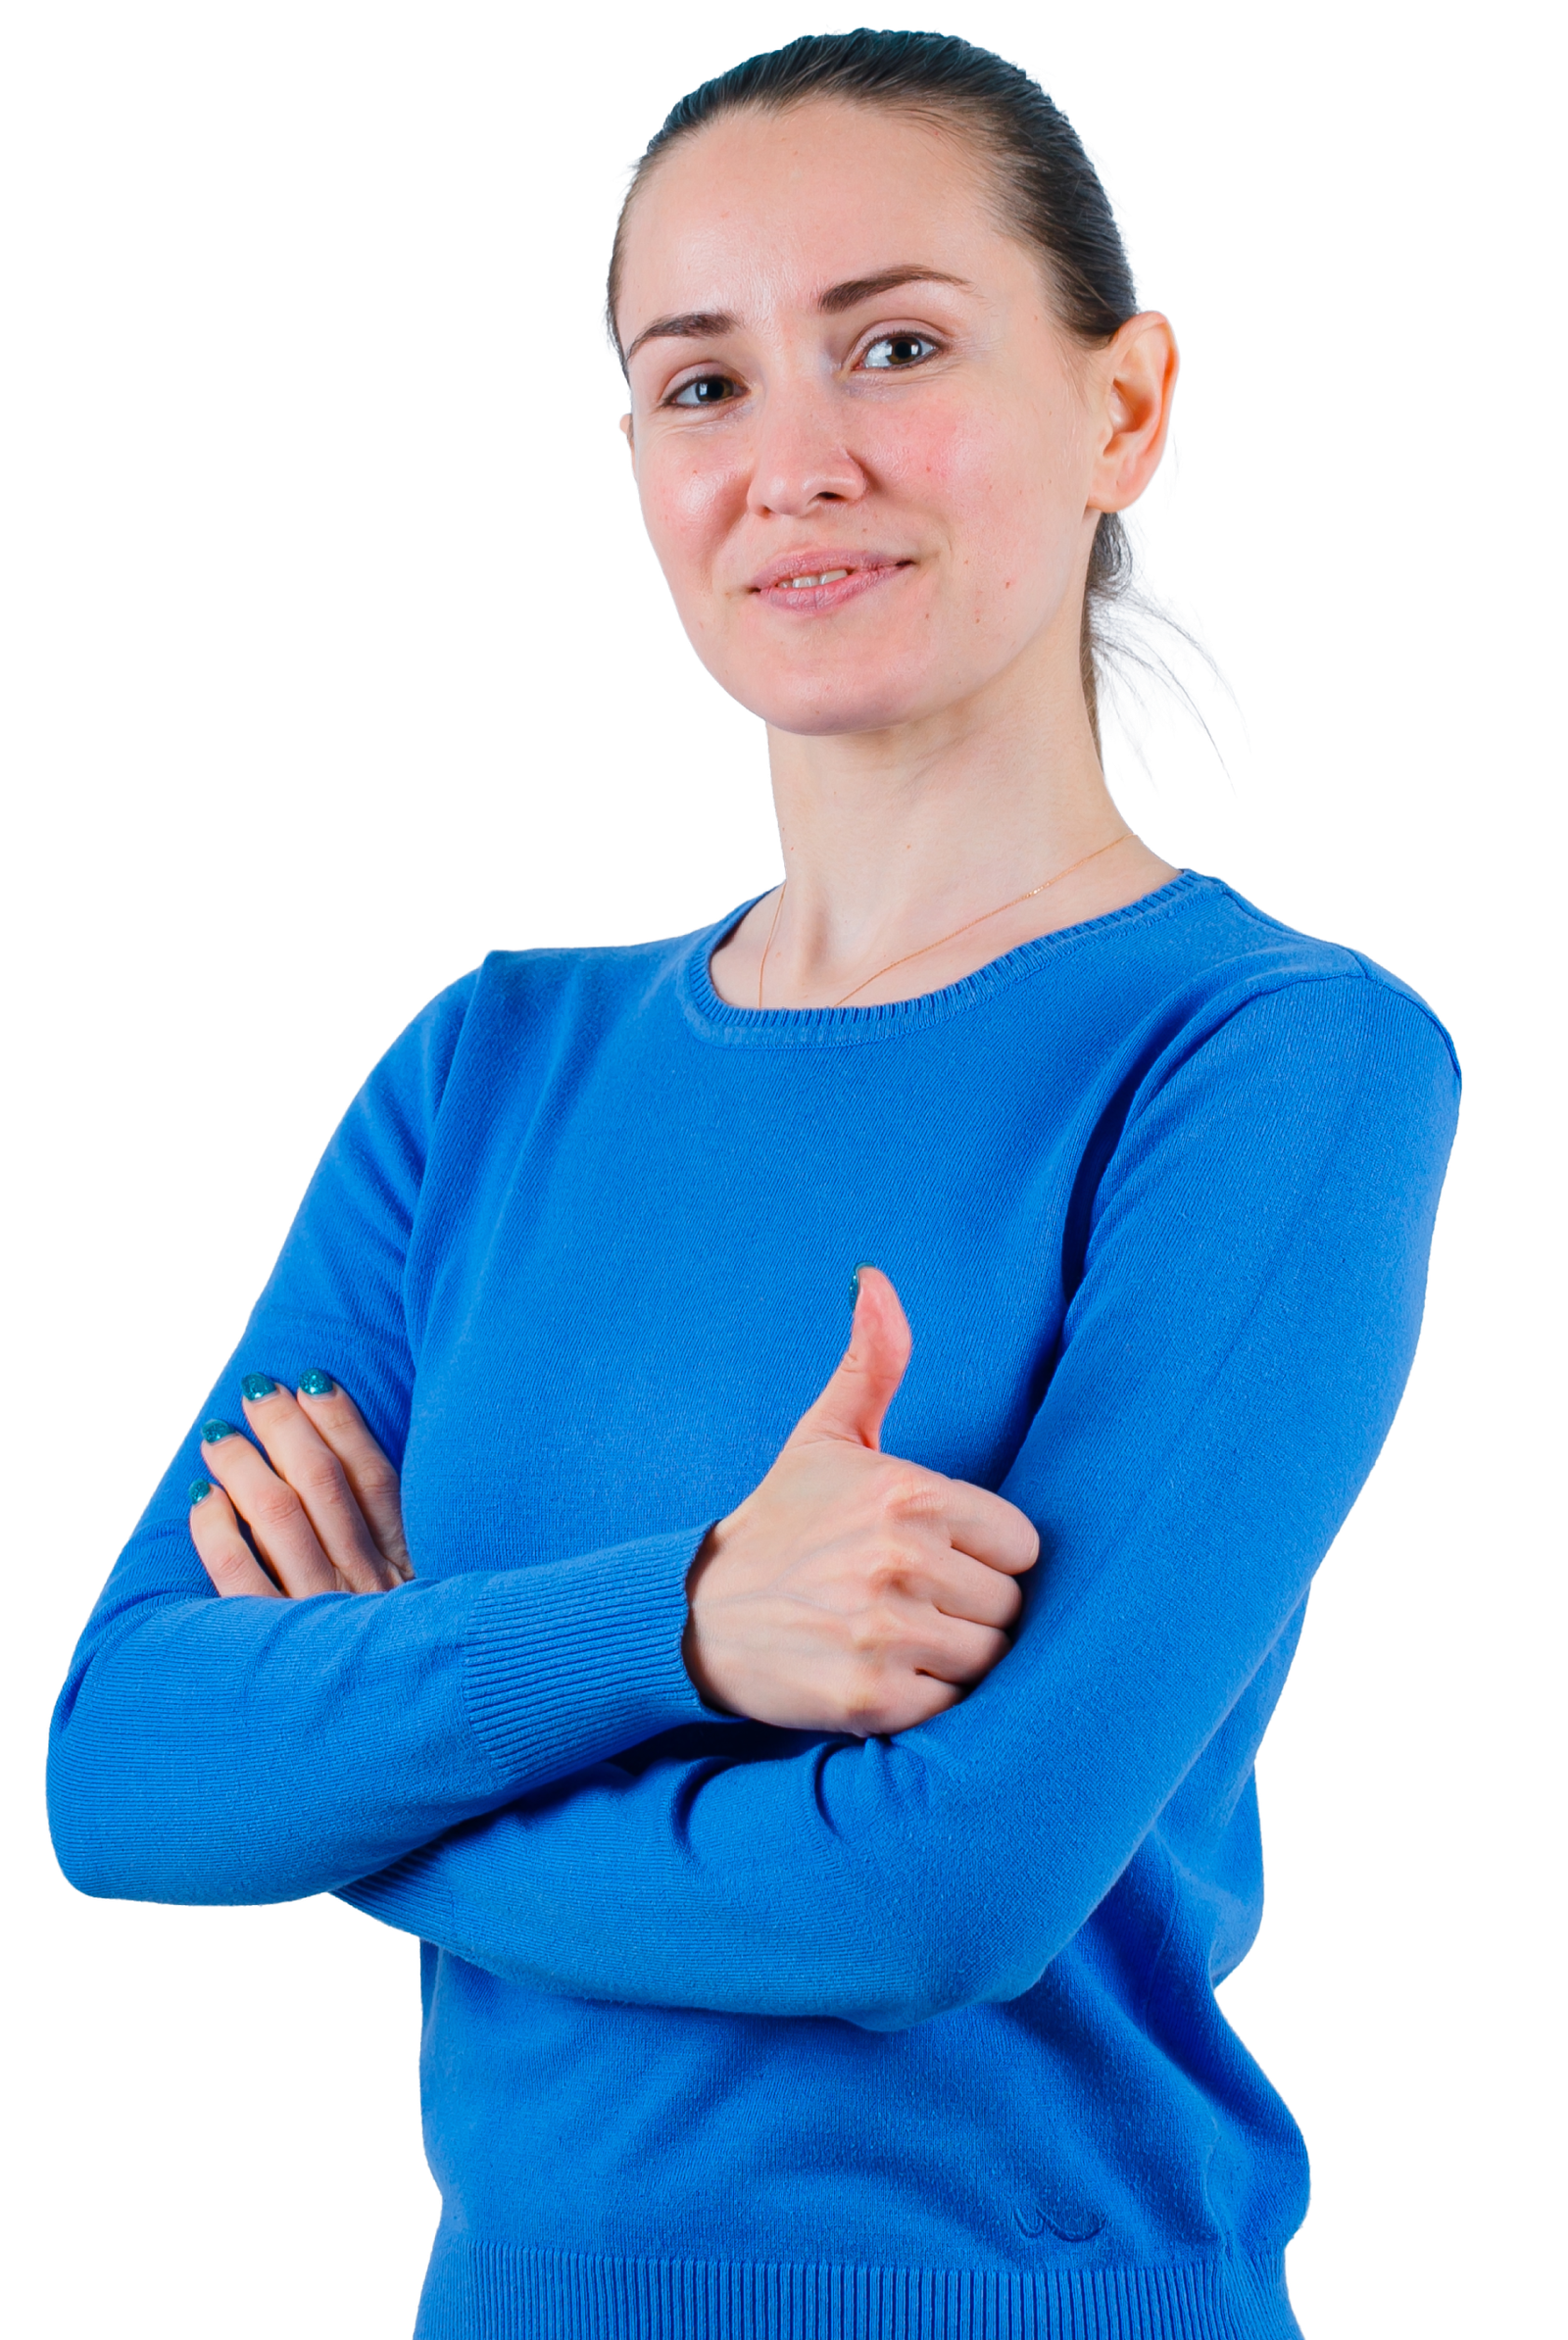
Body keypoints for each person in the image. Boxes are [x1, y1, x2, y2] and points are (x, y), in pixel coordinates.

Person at [46, 29, 1460, 2339]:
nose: (791, 464)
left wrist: (374, 1732)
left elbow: (930, 1901)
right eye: (697, 386)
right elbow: (123, 1775)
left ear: (1120, 409)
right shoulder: (490, 1061)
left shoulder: (1269, 1058)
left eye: (893, 345)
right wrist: (683, 1624)